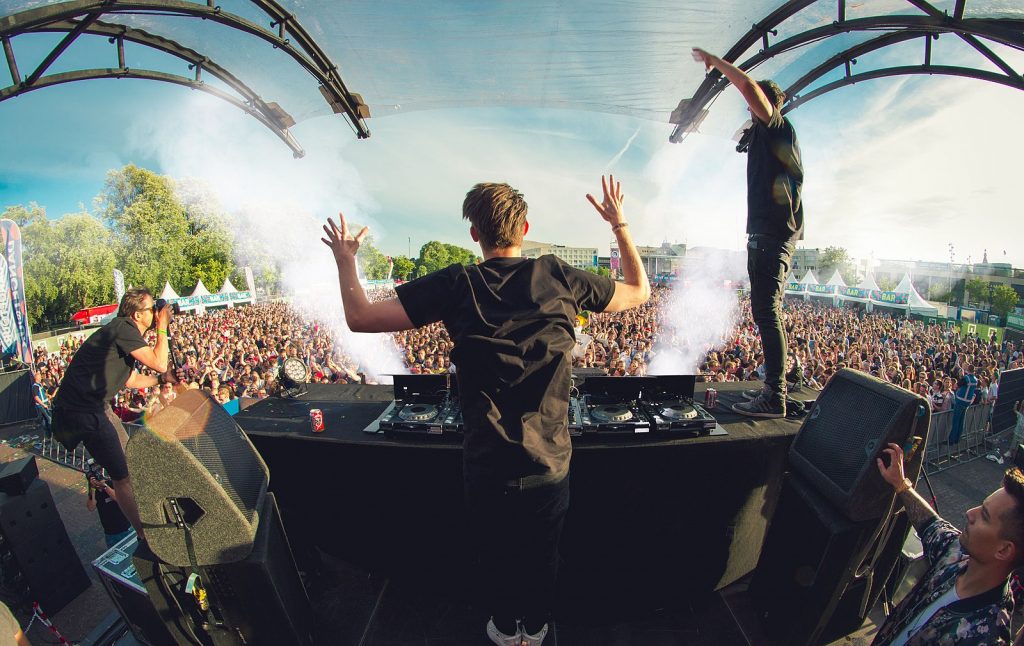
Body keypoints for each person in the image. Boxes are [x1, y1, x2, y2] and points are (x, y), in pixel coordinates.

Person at [322, 176, 650, 646]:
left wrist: (345, 259)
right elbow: (638, 290)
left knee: (494, 554)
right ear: (525, 228)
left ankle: (503, 624)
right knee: (543, 554)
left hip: (486, 462)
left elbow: (360, 317)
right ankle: (534, 628)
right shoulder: (558, 275)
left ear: (474, 234)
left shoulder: (457, 284)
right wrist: (619, 225)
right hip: (550, 460)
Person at [692, 48, 804, 418]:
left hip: (772, 235)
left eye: (754, 109)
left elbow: (749, 88)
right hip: (768, 235)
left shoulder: (777, 126)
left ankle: (775, 396)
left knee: (767, 312)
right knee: (766, 312)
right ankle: (776, 388)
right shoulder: (766, 137)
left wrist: (718, 64)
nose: (748, 114)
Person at [50, 288, 173, 538]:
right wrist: (163, 326)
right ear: (137, 315)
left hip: (94, 406)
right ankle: (145, 536)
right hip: (85, 409)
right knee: (123, 476)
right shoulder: (123, 327)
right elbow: (159, 361)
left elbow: (129, 379)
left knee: (129, 466)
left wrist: (161, 381)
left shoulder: (120, 332)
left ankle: (146, 521)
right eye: (152, 308)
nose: (156, 312)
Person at [873, 442, 1019, 644]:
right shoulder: (957, 553)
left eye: (984, 516)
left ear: (1003, 550)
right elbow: (931, 523)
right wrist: (901, 484)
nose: (970, 513)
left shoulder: (985, 636)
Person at [87, 474, 133, 549]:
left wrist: (104, 486)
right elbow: (91, 507)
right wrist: (92, 489)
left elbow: (118, 498)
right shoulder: (94, 492)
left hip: (125, 528)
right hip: (110, 533)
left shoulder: (110, 484)